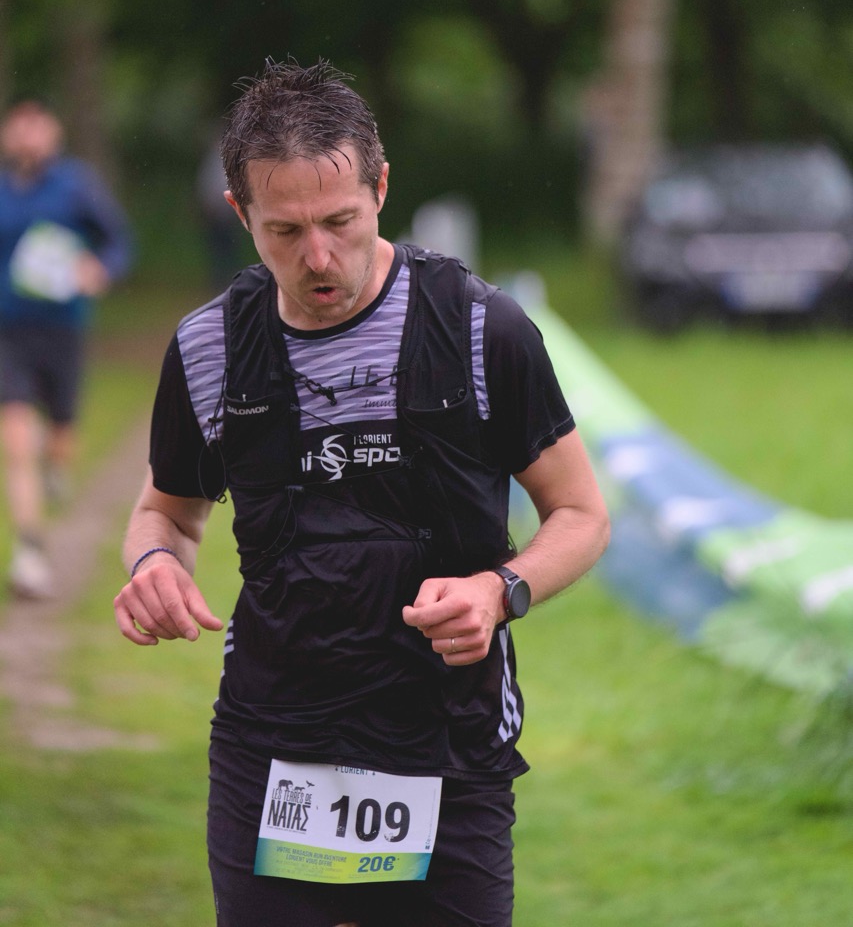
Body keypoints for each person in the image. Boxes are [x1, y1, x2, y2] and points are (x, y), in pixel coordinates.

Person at [113, 58, 609, 927]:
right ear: (238, 214)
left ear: (380, 189)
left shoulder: (481, 328)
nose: (317, 257)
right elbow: (165, 513)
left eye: (339, 221)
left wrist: (499, 591)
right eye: (283, 230)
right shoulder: (207, 348)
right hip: (275, 739)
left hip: (446, 736)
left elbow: (580, 514)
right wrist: (154, 563)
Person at [0, 97, 133, 599]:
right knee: (16, 439)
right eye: (19, 124)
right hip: (9, 333)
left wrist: (100, 269)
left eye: (37, 123)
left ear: (53, 132)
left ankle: (57, 466)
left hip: (63, 331)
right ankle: (30, 551)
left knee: (59, 434)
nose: (28, 133)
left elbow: (118, 242)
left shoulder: (76, 185)